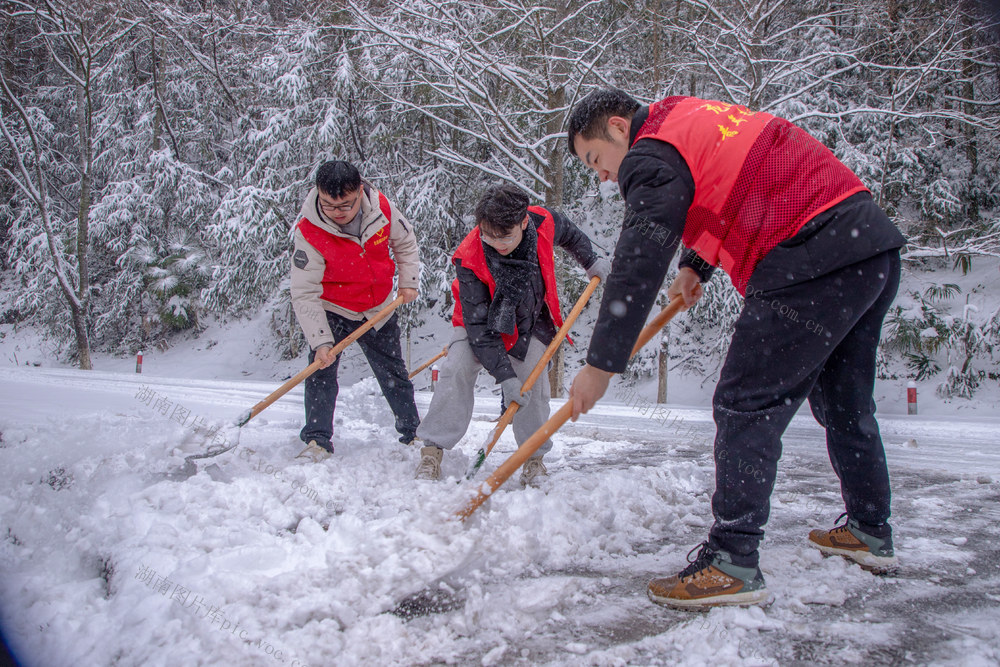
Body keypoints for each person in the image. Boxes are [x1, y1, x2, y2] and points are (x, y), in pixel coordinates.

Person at [565, 89, 906, 609]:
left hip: (807, 253)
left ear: (617, 127)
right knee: (844, 403)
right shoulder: (686, 116)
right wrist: (695, 265)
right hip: (866, 247)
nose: (605, 177)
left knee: (745, 403)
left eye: (596, 159)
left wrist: (600, 364)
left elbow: (638, 257)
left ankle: (731, 561)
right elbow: (728, 184)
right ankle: (869, 529)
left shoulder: (648, 150)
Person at [414, 184, 610, 485]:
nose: (496, 243)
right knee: (455, 368)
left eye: (504, 236)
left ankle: (533, 458)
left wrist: (590, 260)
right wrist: (505, 377)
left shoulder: (543, 222)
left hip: (531, 319)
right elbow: (479, 329)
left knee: (532, 376)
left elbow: (570, 234)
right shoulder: (469, 256)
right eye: (488, 235)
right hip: (475, 324)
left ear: (523, 222)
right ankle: (432, 451)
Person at [290, 160, 421, 462]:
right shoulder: (309, 232)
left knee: (393, 373)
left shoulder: (382, 209)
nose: (338, 212)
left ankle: (413, 433)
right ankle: (317, 440)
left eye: (345, 205)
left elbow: (405, 242)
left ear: (360, 191)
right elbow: (304, 291)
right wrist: (321, 341)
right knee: (321, 372)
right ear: (318, 194)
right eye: (329, 204)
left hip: (379, 308)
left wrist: (408, 281)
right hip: (333, 309)